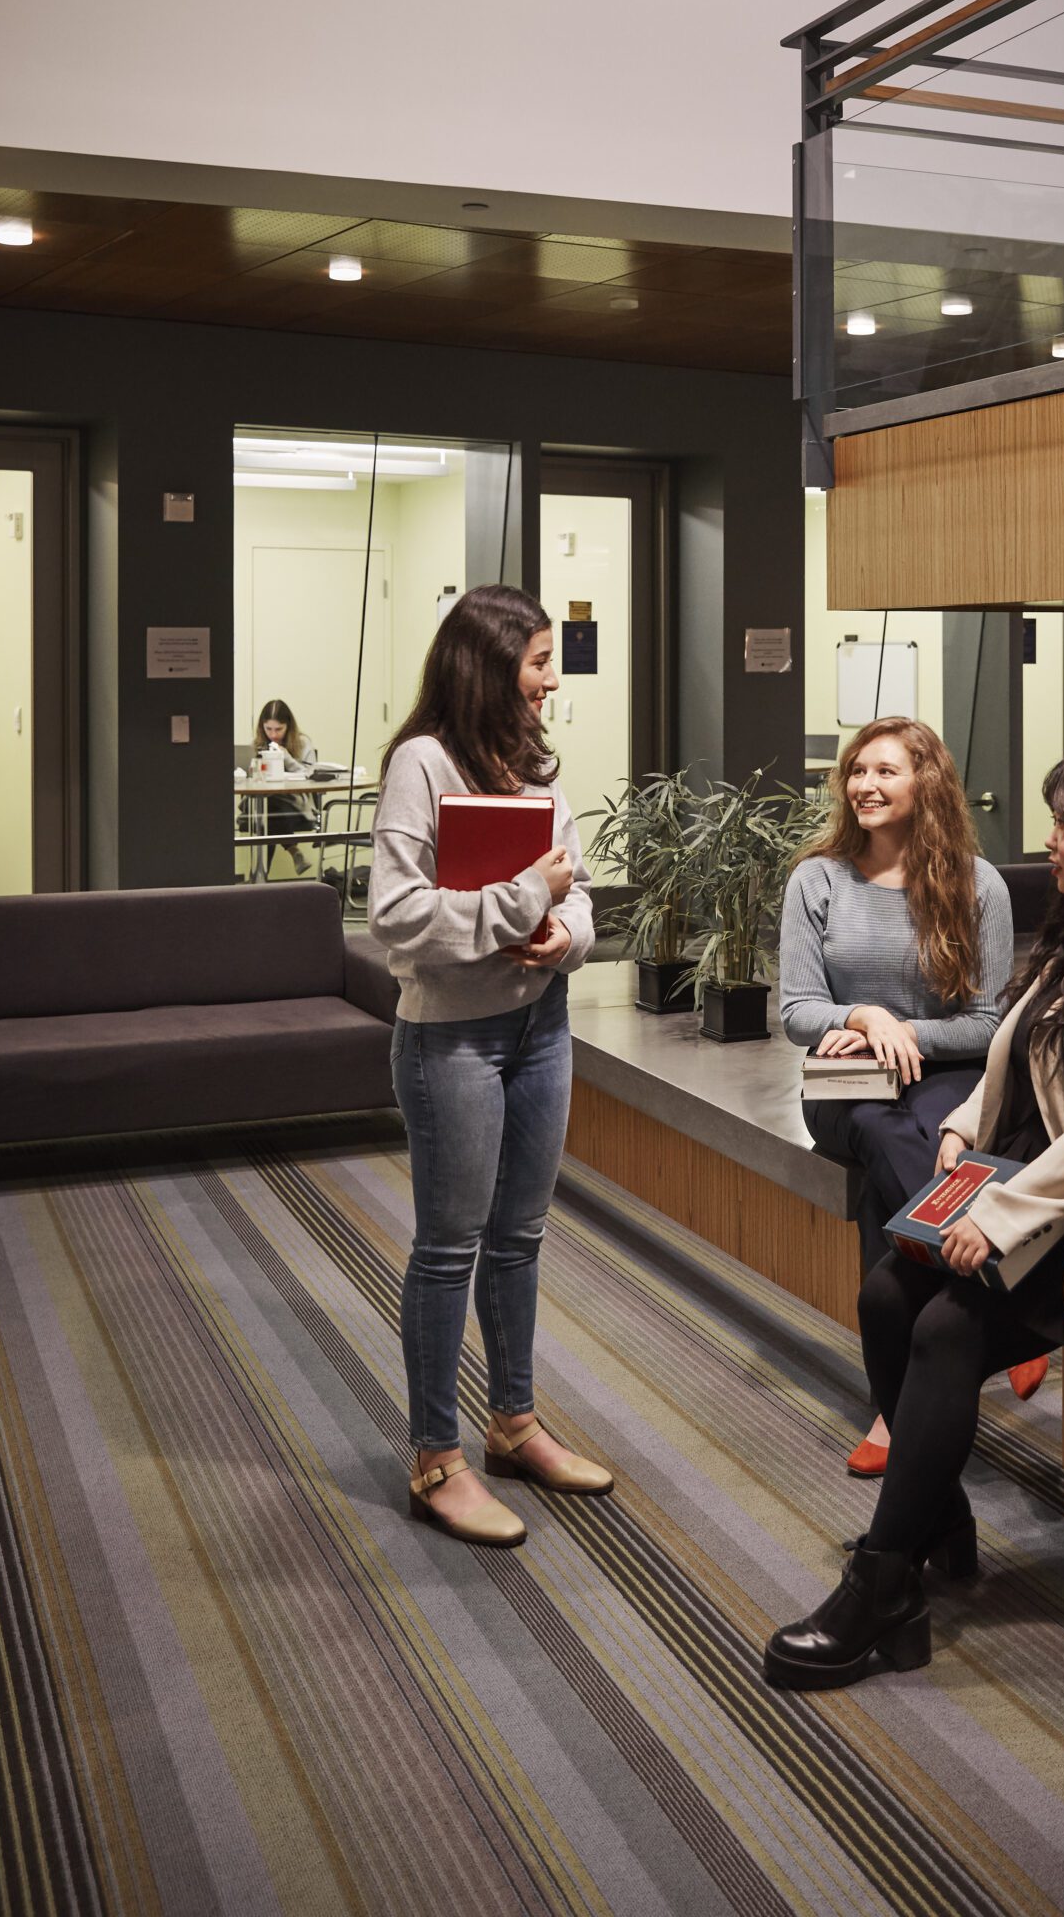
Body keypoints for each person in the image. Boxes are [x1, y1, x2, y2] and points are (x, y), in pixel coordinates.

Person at [764, 743, 1064, 1691]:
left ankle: (883, 1582)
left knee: (944, 1328)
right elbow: (1010, 1050)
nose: (1048, 841)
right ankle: (937, 1519)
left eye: (1063, 826)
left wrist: (1005, 1217)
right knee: (882, 1298)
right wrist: (959, 1130)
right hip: (1056, 1194)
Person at [368, 584, 612, 1546]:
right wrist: (519, 902)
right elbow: (393, 915)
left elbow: (578, 889)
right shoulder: (420, 765)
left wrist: (565, 937)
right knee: (449, 1245)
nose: (554, 678)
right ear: (489, 665)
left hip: (539, 1027)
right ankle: (435, 1457)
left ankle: (513, 1426)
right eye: (541, 660)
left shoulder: (530, 764)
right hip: (450, 1040)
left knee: (520, 1236)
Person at [780, 716, 1016, 1477]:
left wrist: (906, 1033)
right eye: (856, 772)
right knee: (885, 1137)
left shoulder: (978, 885)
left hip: (943, 1073)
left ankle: (895, 1400)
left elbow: (984, 1024)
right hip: (845, 1081)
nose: (864, 787)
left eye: (884, 772)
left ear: (926, 783)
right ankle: (991, 1288)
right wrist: (861, 1016)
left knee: (912, 1155)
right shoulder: (816, 878)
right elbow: (795, 1010)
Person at [251, 699, 317, 876]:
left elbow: (311, 776)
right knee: (268, 809)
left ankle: (258, 879)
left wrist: (286, 758)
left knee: (267, 816)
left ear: (288, 726)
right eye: (268, 729)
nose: (273, 735)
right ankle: (294, 851)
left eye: (278, 729)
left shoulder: (303, 743)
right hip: (265, 803)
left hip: (295, 803)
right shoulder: (259, 744)